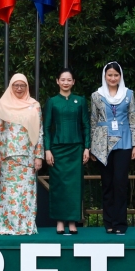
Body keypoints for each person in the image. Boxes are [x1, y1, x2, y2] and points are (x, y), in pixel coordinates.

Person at [0, 74, 44, 235]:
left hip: (28, 156)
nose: (19, 88)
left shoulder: (34, 105)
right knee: (7, 193)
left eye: (23, 85)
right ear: (11, 86)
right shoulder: (3, 104)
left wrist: (39, 155)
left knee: (25, 193)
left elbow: (39, 131)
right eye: (16, 85)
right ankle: (6, 226)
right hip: (7, 156)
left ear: (27, 87)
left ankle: (24, 226)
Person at [90, 62, 135, 235]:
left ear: (120, 76)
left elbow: (132, 119)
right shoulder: (96, 95)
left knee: (120, 183)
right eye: (109, 75)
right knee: (107, 184)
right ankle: (108, 222)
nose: (112, 78)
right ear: (105, 76)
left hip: (124, 142)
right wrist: (92, 146)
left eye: (115, 75)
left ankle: (120, 223)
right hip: (102, 144)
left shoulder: (128, 94)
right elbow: (93, 121)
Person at [44, 69, 90, 235]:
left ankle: (73, 221)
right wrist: (47, 150)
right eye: (62, 79)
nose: (65, 82)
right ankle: (60, 222)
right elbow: (47, 127)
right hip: (57, 148)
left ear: (73, 82)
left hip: (76, 148)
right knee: (59, 186)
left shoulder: (81, 100)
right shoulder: (52, 101)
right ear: (57, 81)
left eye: (68, 80)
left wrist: (87, 147)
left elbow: (86, 125)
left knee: (74, 186)